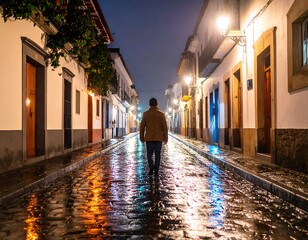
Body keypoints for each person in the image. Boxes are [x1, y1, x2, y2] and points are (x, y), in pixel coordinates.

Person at [139, 98, 168, 176]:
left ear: (149, 104)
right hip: (158, 138)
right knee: (158, 154)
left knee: (149, 153)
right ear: (157, 104)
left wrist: (141, 137)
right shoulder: (161, 114)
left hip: (149, 138)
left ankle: (151, 167)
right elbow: (164, 127)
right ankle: (157, 170)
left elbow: (142, 127)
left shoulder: (145, 114)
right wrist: (166, 137)